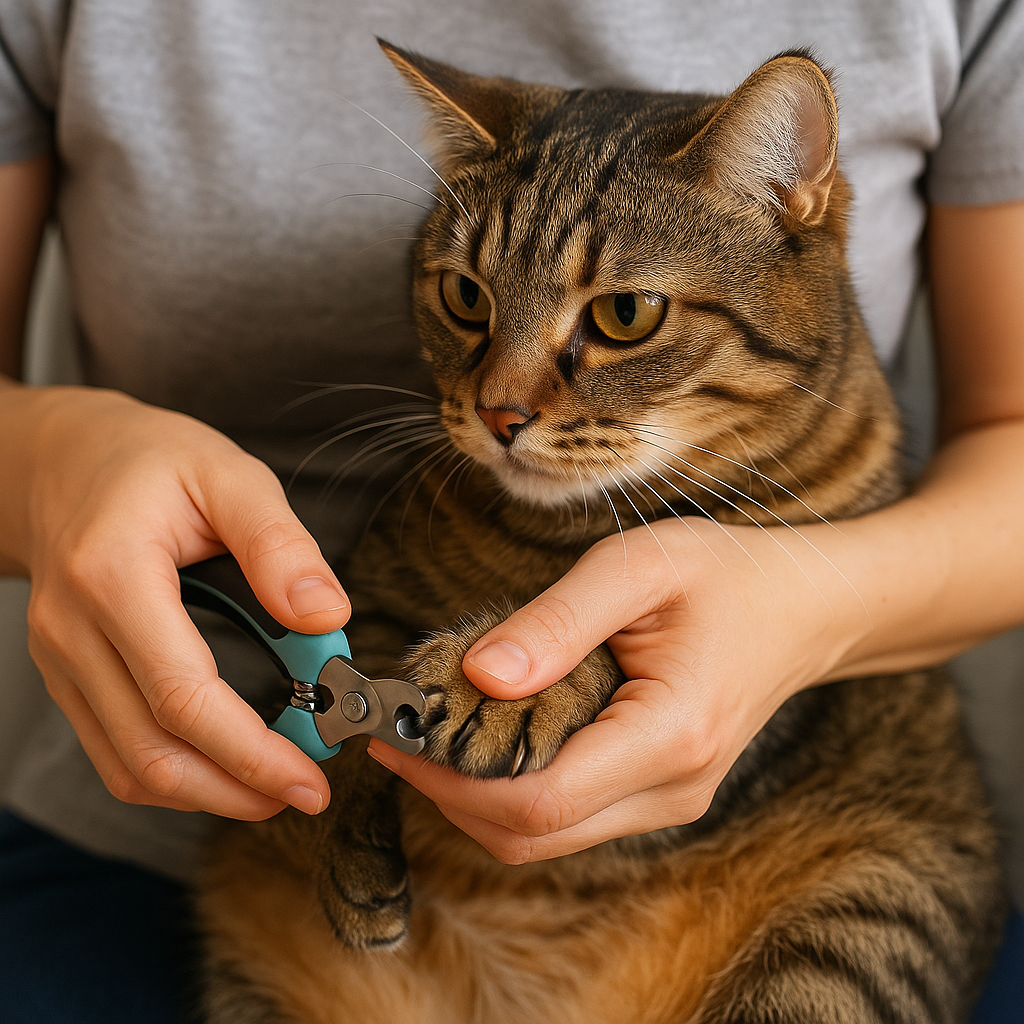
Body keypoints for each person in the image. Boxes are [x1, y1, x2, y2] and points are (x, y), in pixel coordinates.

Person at [0, 2, 1021, 1021]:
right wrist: (50, 465)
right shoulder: (440, 499)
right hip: (221, 835)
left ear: (787, 205)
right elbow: (364, 656)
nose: (505, 403)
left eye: (622, 315)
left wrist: (799, 613)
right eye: (468, 304)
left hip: (764, 881)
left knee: (905, 863)